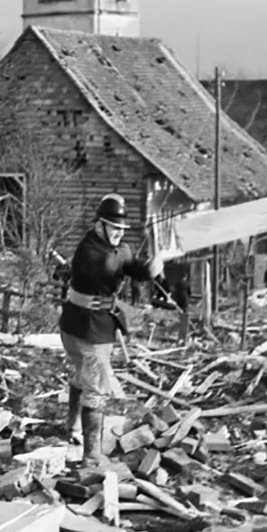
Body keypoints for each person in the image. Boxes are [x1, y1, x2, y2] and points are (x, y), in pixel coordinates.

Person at [59, 193, 163, 465]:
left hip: (90, 323)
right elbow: (106, 267)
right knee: (96, 386)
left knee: (81, 377)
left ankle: (73, 430)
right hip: (86, 327)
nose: (118, 233)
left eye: (122, 229)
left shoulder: (118, 249)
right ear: (99, 225)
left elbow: (131, 266)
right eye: (114, 228)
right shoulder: (88, 249)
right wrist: (129, 260)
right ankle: (91, 455)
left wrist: (149, 269)